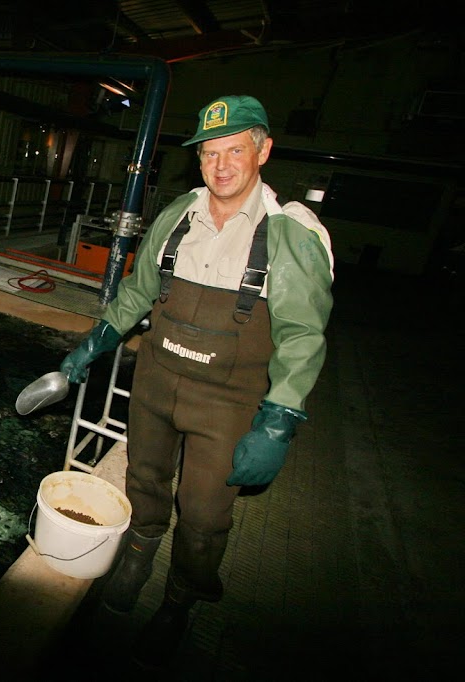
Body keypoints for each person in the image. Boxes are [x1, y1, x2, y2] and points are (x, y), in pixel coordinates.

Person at [59, 95, 334, 667]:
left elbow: (303, 335)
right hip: (158, 377)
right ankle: (138, 552)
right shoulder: (178, 215)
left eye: (235, 149)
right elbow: (137, 291)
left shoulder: (292, 233)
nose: (221, 165)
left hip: (229, 396)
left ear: (263, 151)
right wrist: (96, 341)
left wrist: (279, 420)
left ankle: (182, 596)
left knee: (206, 513)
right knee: (145, 480)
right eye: (210, 153)